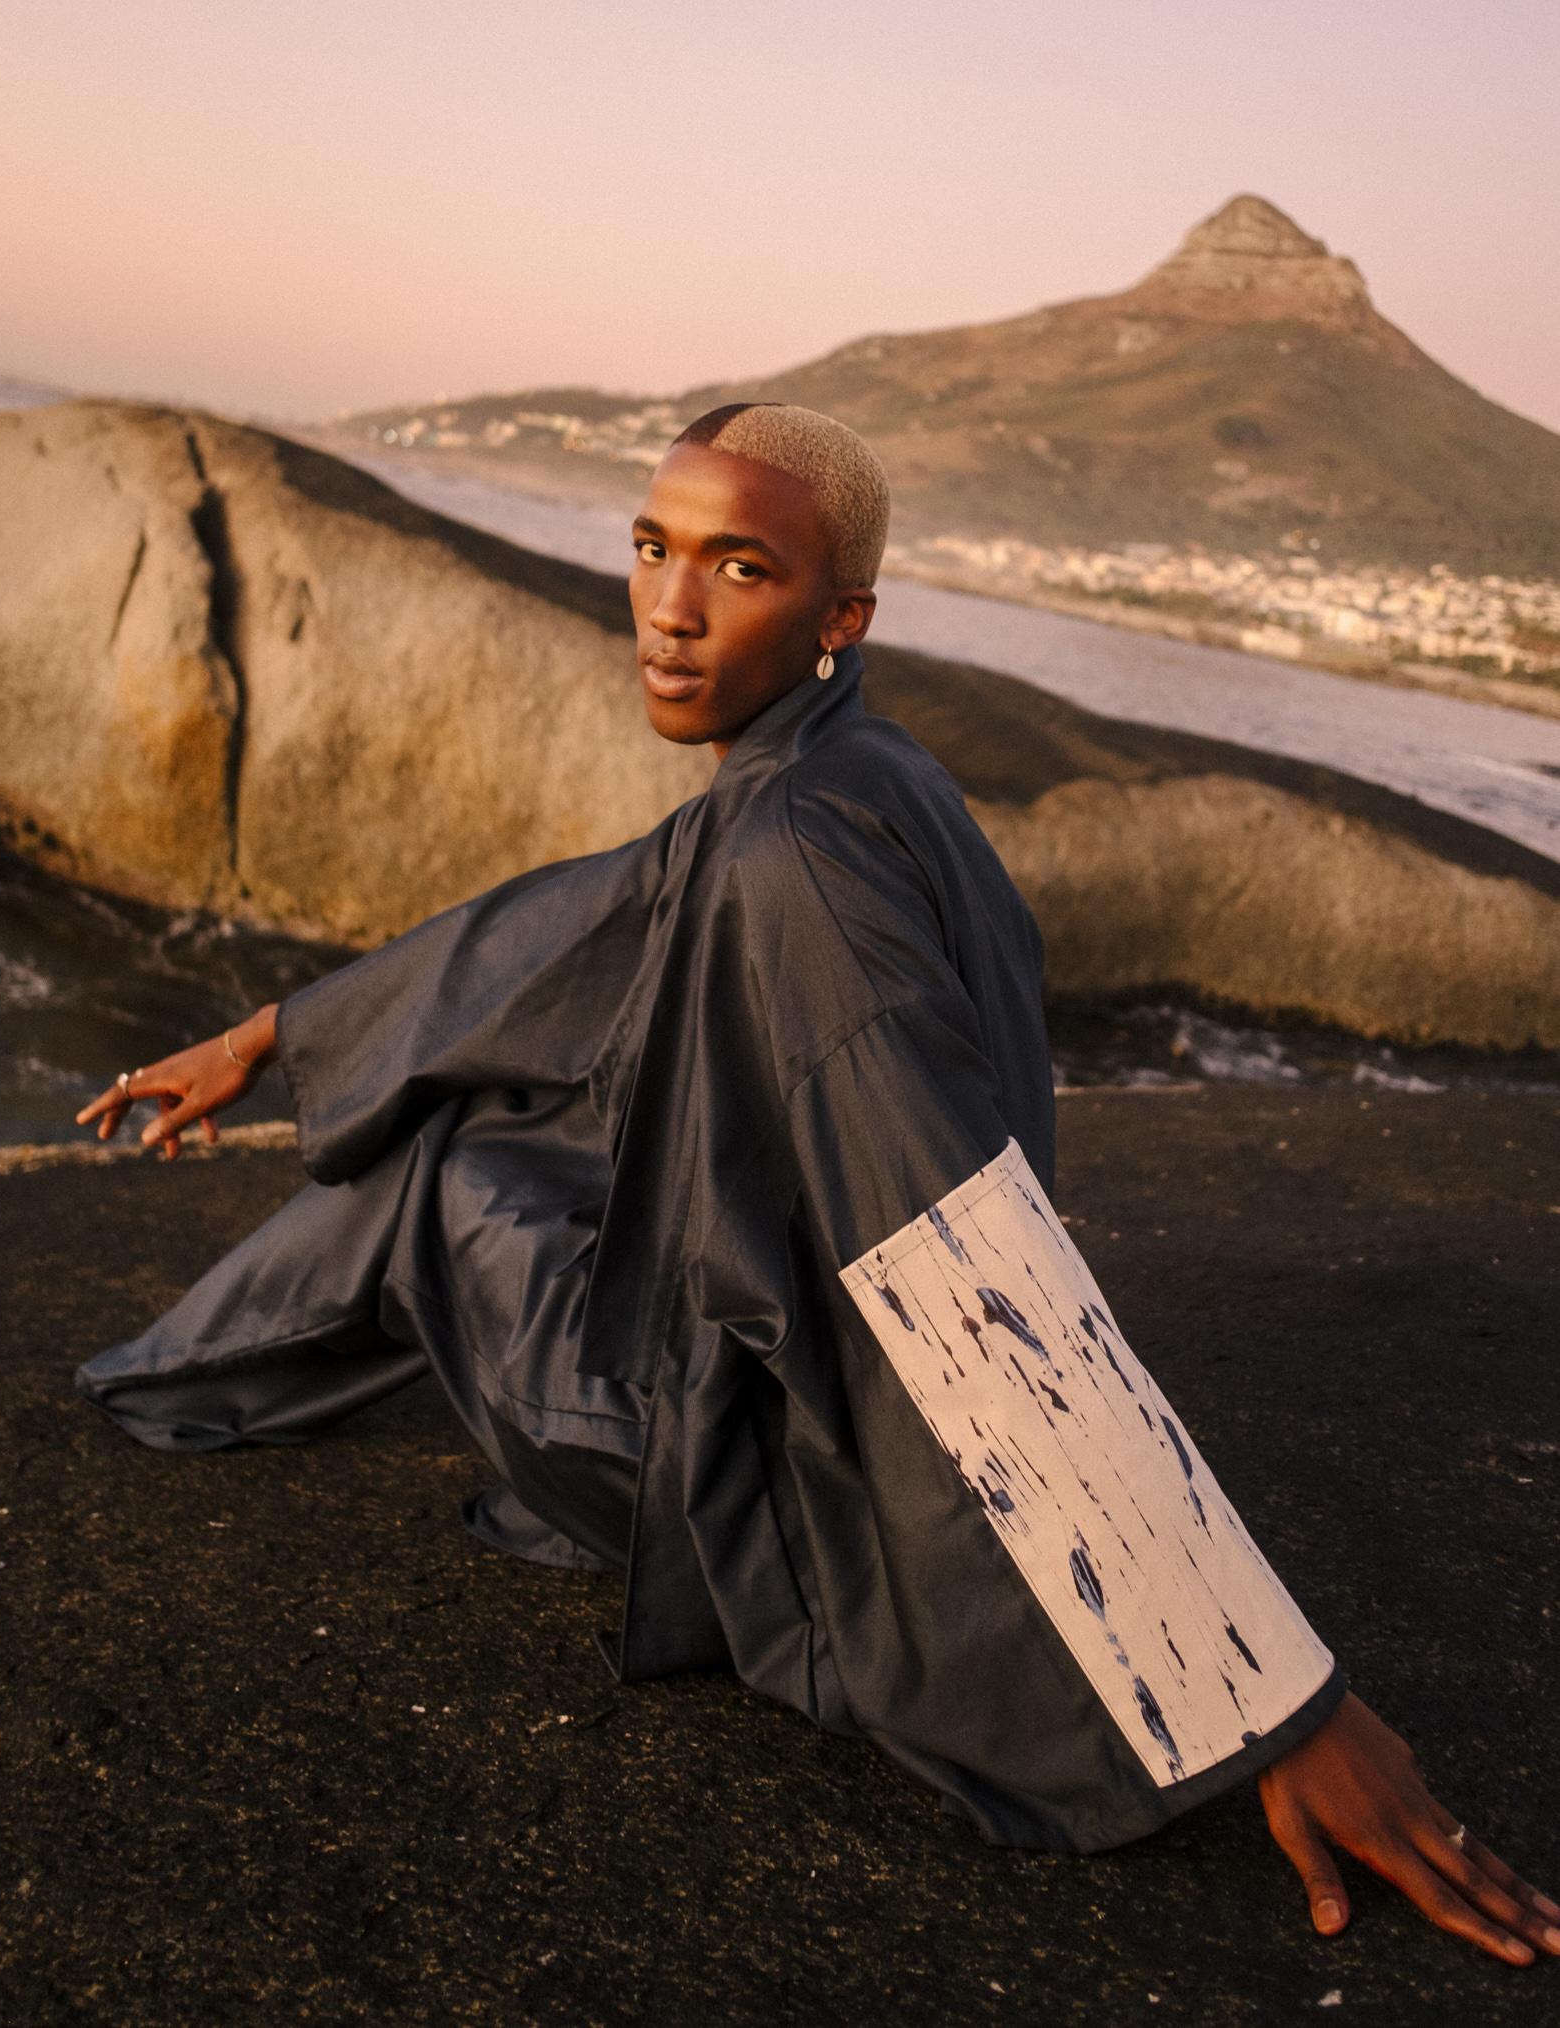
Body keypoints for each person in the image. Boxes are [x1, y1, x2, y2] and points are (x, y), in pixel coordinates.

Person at [76, 402, 1558, 1967]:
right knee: (503, 1076)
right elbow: (580, 921)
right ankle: (203, 1362)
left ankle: (165, 1383)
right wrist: (273, 1035)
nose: (670, 608)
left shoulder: (793, 862)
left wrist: (1267, 1693)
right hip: (787, 1370)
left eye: (740, 569)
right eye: (652, 549)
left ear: (840, 614)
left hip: (769, 1491)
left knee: (441, 1149)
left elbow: (963, 1259)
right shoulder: (857, 770)